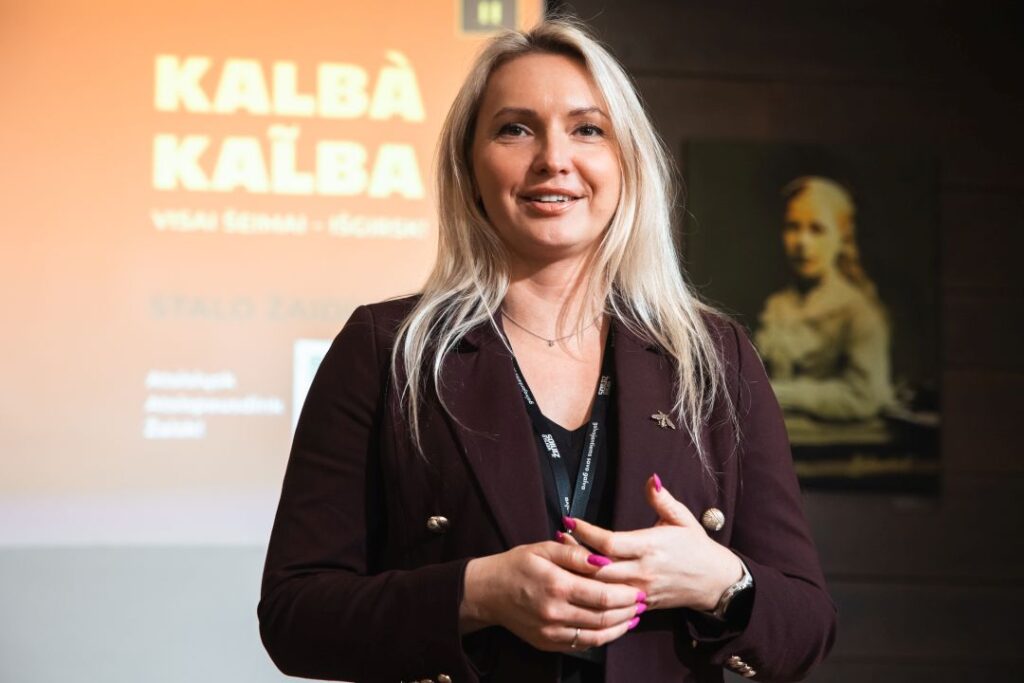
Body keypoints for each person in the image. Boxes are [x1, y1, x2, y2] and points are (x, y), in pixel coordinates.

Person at [259, 19, 836, 683]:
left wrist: (718, 580)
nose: (553, 159)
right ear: (469, 169)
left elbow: (808, 626)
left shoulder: (712, 358)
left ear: (627, 164)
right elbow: (294, 615)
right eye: (515, 129)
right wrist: (478, 592)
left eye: (587, 129)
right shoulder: (386, 350)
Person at [755, 176, 896, 423]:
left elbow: (864, 396)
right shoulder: (777, 307)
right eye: (793, 227)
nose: (802, 242)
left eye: (817, 229)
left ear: (842, 238)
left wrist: (780, 394)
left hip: (835, 442)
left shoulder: (858, 312)